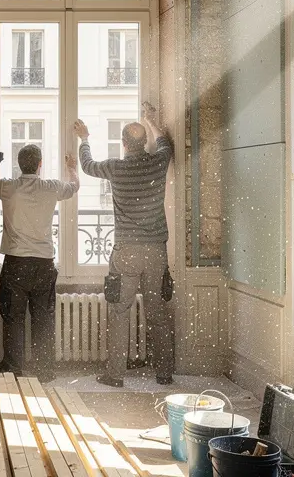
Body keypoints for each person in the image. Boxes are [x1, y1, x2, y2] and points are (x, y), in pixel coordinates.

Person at [74, 101, 175, 386]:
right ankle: (164, 373)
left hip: (127, 250)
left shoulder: (116, 168)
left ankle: (115, 374)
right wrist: (151, 120)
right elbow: (166, 145)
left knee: (120, 310)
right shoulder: (157, 163)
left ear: (123, 144)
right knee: (157, 311)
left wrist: (85, 139)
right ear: (144, 143)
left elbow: (87, 166)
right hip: (156, 250)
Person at [0, 144, 80, 381]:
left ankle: (13, 370)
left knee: (13, 318)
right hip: (44, 264)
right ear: (40, 164)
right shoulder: (52, 187)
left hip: (16, 263)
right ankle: (44, 372)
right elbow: (74, 187)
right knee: (43, 318)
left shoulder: (9, 186)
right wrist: (72, 168)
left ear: (19, 164)